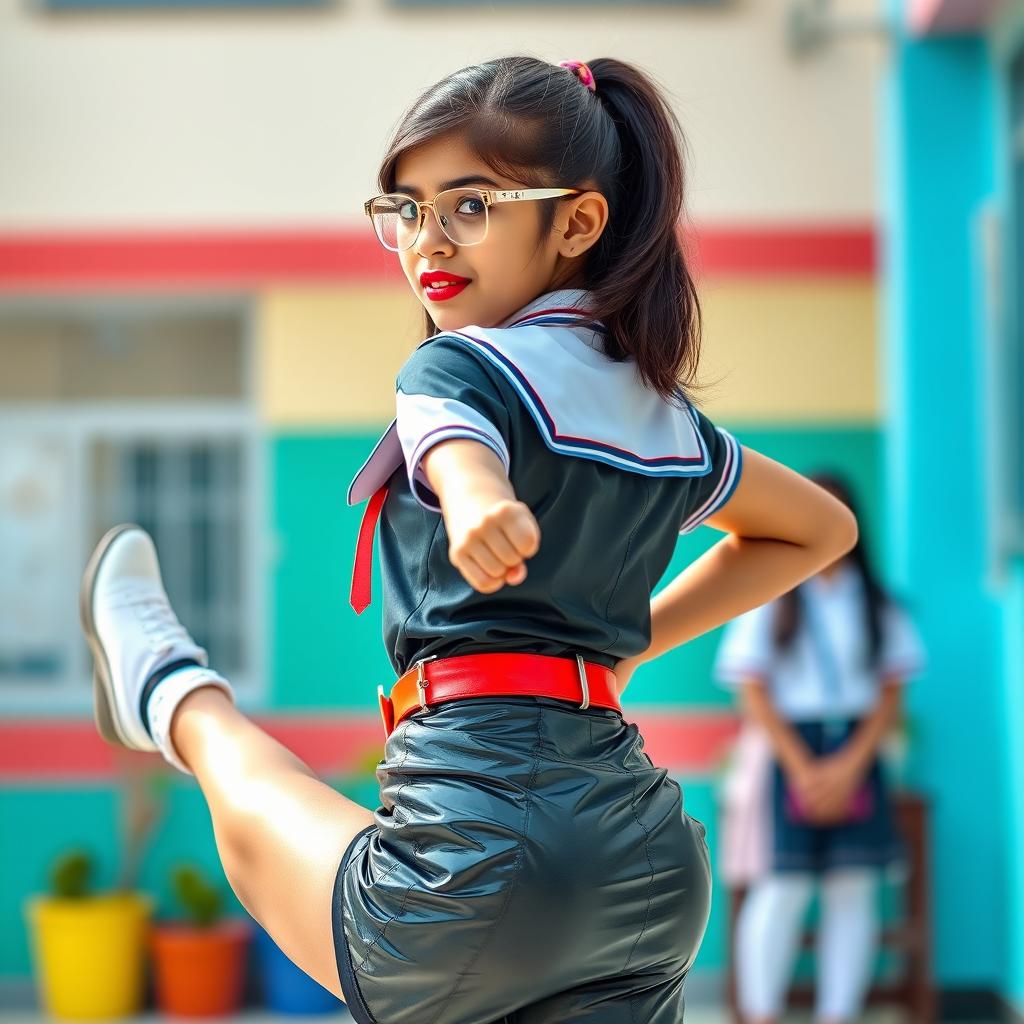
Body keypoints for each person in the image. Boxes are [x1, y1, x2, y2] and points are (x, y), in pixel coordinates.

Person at [78, 57, 858, 1024]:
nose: (427, 242)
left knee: (243, 770)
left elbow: (451, 439)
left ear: (577, 222)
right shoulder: (665, 416)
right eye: (405, 210)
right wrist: (621, 645)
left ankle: (160, 676)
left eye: (471, 205)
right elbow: (819, 532)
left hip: (476, 858)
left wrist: (479, 494)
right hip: (646, 868)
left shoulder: (456, 363)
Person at [713, 471, 926, 1024]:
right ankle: (761, 1013)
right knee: (781, 885)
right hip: (791, 750)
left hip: (857, 749)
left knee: (852, 888)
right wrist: (804, 768)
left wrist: (851, 764)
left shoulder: (878, 602)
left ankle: (839, 1014)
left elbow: (891, 691)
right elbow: (750, 688)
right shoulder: (772, 591)